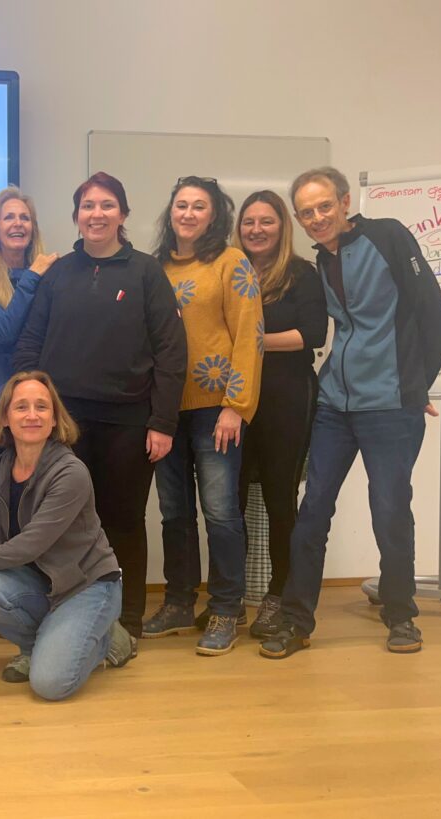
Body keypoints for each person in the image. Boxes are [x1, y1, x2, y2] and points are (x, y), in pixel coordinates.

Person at [260, 167, 441, 659]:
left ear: (344, 202)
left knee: (389, 510)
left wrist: (416, 383)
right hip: (334, 405)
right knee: (313, 509)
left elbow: (433, 312)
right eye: (307, 212)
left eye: (325, 206)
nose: (317, 217)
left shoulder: (387, 236)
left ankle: (401, 614)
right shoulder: (319, 262)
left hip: (390, 404)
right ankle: (297, 621)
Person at [14, 173, 187, 654]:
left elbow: (172, 352)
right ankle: (61, 611)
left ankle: (126, 616)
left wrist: (162, 422)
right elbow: (30, 343)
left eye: (107, 205)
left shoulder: (147, 272)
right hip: (64, 425)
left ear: (123, 215)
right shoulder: (59, 273)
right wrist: (30, 410)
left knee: (124, 519)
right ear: (76, 216)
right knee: (59, 521)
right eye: (88, 206)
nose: (97, 214)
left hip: (130, 422)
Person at [0, 371, 133, 701]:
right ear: (6, 417)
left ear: (54, 419)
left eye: (42, 407)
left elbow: (34, 540)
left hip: (88, 586)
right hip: (43, 583)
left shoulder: (70, 472)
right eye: (21, 407)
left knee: (50, 684)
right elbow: (1, 531)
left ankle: (106, 639)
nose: (32, 415)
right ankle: (40, 647)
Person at [143, 176, 263, 656]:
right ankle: (177, 603)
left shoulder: (231, 262)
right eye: (181, 205)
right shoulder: (153, 268)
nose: (188, 213)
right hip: (166, 411)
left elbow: (250, 336)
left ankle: (227, 608)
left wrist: (236, 406)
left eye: (199, 207)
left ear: (214, 216)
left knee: (221, 514)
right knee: (174, 513)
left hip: (217, 410)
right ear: (170, 212)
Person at [233, 191, 327, 638]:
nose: (256, 229)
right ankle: (229, 599)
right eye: (248, 221)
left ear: (282, 226)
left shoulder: (301, 274)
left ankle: (279, 596)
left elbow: (311, 333)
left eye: (266, 221)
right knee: (227, 504)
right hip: (234, 401)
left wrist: (249, 341)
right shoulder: (232, 271)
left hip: (286, 397)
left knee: (279, 502)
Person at [0, 186, 57, 462]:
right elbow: (2, 333)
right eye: (9, 218)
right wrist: (31, 277)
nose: (18, 224)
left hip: (43, 407)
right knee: (5, 496)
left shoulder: (50, 277)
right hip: (1, 407)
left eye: (25, 218)